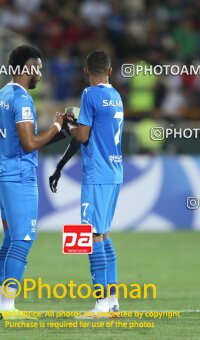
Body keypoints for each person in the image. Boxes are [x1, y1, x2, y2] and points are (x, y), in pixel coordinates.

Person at [0, 45, 66, 319]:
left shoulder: (2, 94)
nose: (40, 74)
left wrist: (60, 130)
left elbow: (27, 143)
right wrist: (57, 126)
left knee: (10, 239)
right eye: (37, 68)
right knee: (22, 240)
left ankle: (0, 304)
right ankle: (8, 307)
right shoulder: (22, 100)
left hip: (3, 173)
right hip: (19, 178)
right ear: (26, 69)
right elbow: (29, 142)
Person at [50, 51, 124, 316]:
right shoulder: (116, 96)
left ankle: (101, 304)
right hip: (115, 173)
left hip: (97, 174)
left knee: (91, 236)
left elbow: (82, 136)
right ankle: (113, 300)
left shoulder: (89, 95)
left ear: (85, 72)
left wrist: (65, 123)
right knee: (103, 234)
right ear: (110, 71)